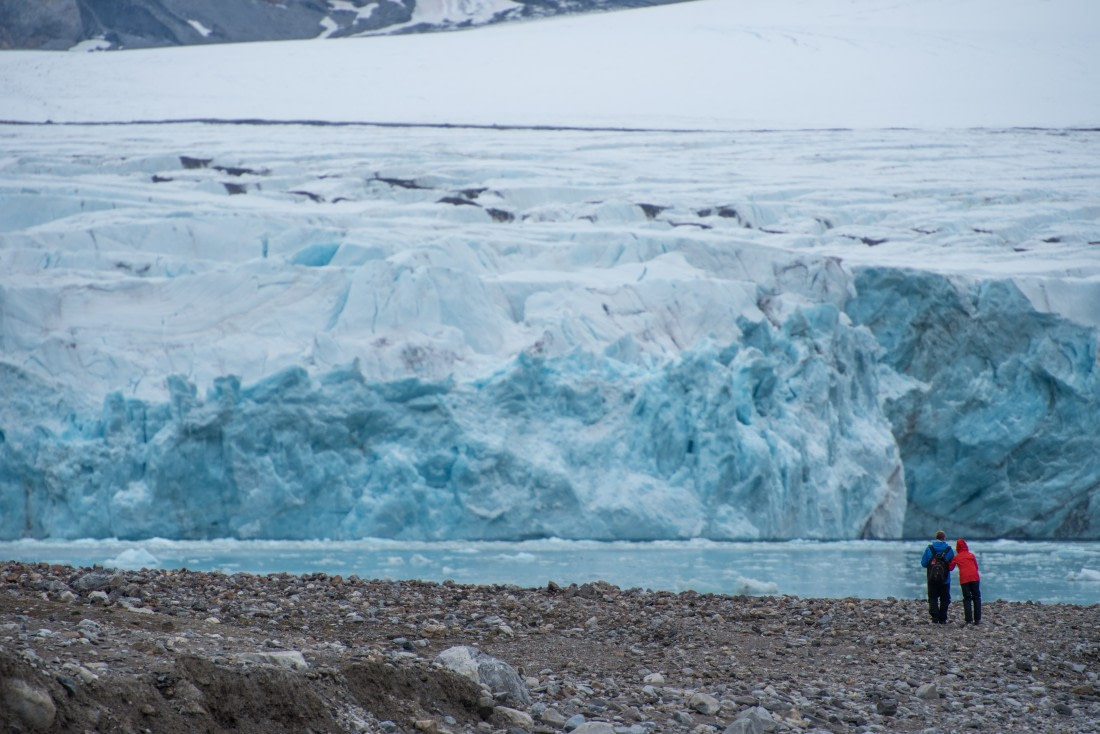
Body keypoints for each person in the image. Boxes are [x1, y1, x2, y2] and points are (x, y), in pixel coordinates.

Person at [921, 530, 955, 623]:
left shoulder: (929, 549)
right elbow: (952, 566)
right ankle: (943, 618)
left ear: (936, 537)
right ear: (944, 538)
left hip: (931, 579)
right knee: (945, 598)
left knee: (933, 597)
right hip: (945, 580)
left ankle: (935, 617)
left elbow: (923, 563)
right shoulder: (949, 550)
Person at [949, 538, 982, 625]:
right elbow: (976, 567)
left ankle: (968, 620)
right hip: (975, 577)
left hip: (964, 579)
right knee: (976, 597)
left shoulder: (957, 557)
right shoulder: (971, 555)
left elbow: (950, 568)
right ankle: (977, 619)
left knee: (967, 599)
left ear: (957, 548)